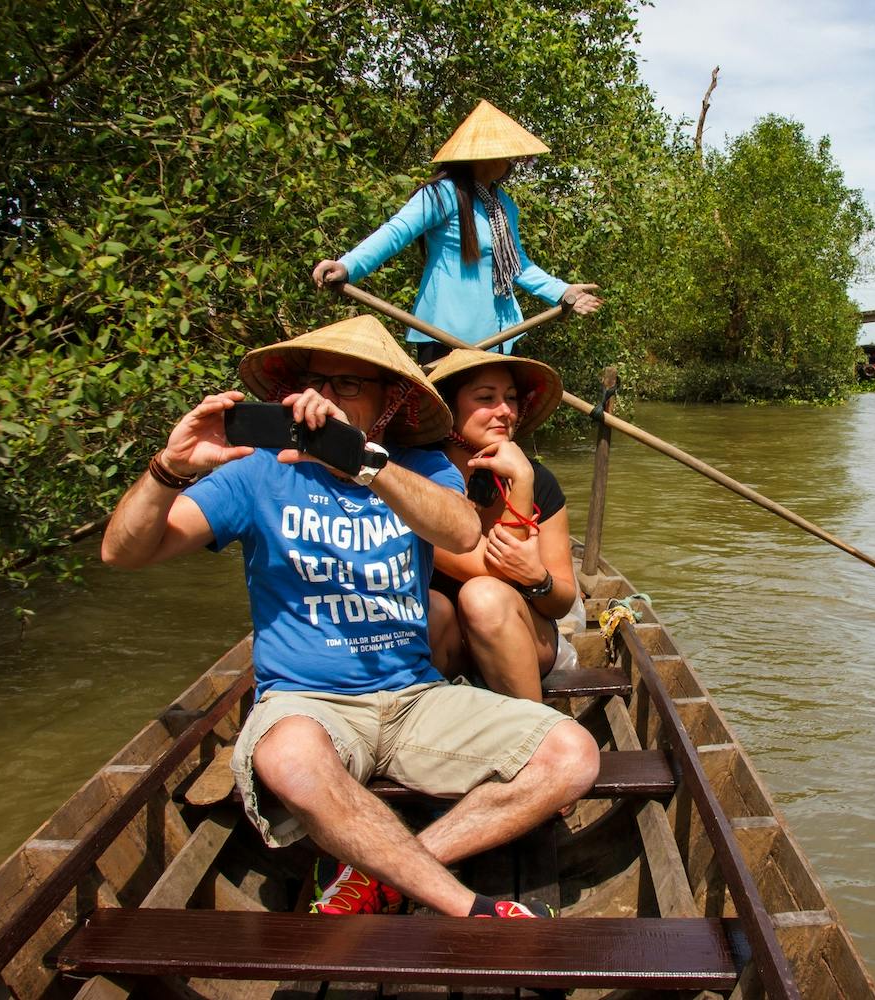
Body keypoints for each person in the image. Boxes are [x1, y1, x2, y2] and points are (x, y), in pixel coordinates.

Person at [100, 315, 600, 919]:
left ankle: (380, 875)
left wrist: (362, 463)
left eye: (350, 386)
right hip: (309, 701)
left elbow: (464, 529)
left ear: (388, 405)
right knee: (286, 757)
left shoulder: (419, 469)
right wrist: (168, 469)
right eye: (320, 382)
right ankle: (465, 906)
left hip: (414, 697)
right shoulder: (257, 472)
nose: (328, 398)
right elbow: (122, 552)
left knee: (574, 755)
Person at [312, 99, 603, 363]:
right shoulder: (442, 194)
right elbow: (395, 232)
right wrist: (348, 265)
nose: (511, 164)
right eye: (507, 157)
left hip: (503, 335)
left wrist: (562, 290)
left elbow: (518, 266)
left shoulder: (504, 205)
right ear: (484, 157)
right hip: (447, 335)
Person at [423, 349, 580, 701]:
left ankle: (534, 736)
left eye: (510, 398)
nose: (504, 411)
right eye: (485, 398)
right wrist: (520, 479)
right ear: (448, 408)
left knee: (485, 599)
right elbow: (491, 570)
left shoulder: (540, 480)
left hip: (519, 634)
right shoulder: (421, 482)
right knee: (436, 607)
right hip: (446, 643)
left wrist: (538, 579)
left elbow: (563, 601)